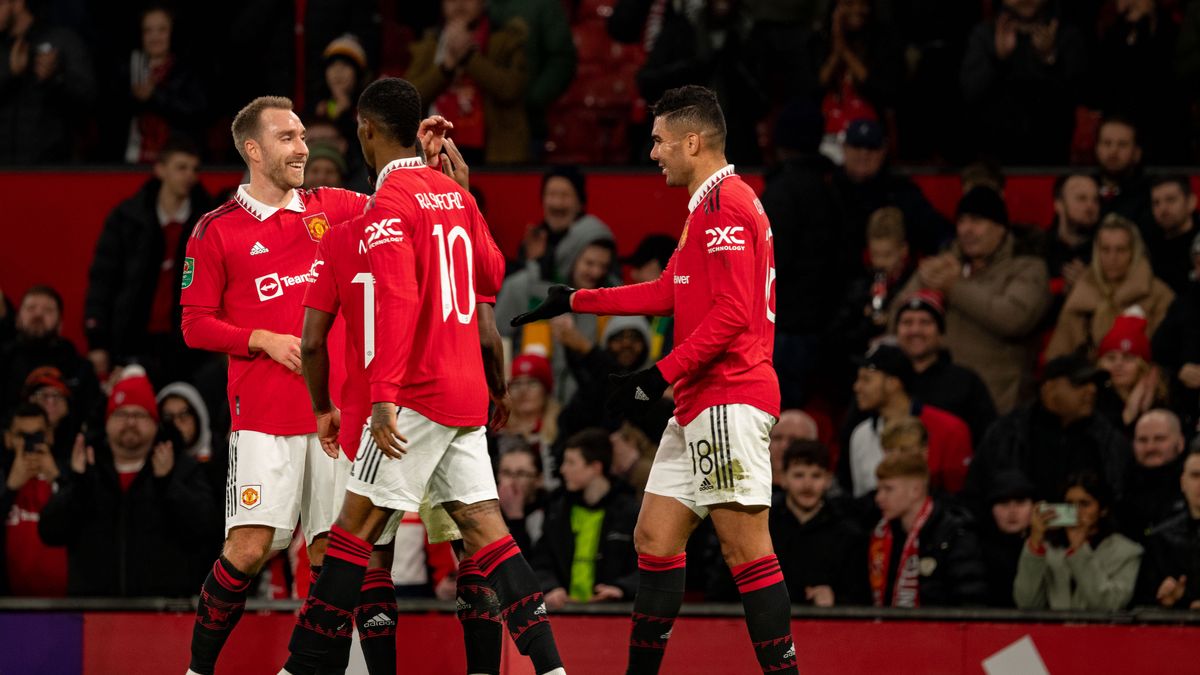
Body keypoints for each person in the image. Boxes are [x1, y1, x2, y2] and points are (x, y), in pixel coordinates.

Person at [280, 78, 565, 675]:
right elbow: (490, 269)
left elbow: (398, 300)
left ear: (366, 130)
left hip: (418, 392)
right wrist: (466, 194)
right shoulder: (454, 197)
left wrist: (383, 399)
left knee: (353, 532)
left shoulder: (388, 203)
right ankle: (552, 668)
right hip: (464, 391)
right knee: (486, 530)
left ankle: (299, 666)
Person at [513, 85, 797, 674]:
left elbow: (732, 314)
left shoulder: (724, 207)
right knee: (655, 538)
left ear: (693, 142)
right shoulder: (712, 207)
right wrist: (576, 300)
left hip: (727, 396)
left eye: (660, 141)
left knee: (747, 550)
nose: (653, 153)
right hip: (701, 403)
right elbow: (670, 292)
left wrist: (655, 377)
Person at [297, 131, 507, 675]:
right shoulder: (448, 226)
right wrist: (498, 391)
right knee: (475, 549)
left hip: (377, 411)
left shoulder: (343, 238)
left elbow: (314, 342)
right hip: (450, 399)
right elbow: (486, 325)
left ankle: (319, 665)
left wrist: (326, 406)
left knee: (366, 552)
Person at [178, 96, 373, 675]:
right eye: (288, 138)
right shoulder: (216, 231)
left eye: (303, 136)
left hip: (332, 417)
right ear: (254, 150)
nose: (304, 148)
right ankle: (197, 670)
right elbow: (193, 325)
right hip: (264, 414)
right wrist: (260, 338)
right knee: (248, 548)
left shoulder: (330, 207)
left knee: (331, 555)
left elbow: (394, 203)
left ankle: (331, 670)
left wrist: (429, 167)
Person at [39, 368, 217, 597]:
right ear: (107, 422)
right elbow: (49, 532)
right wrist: (79, 484)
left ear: (155, 424)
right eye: (121, 414)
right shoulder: (87, 466)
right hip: (93, 615)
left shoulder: (182, 468)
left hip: (162, 614)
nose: (131, 422)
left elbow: (206, 531)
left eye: (140, 415)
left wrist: (168, 485)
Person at [898, 186, 1050, 413]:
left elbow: (1013, 318)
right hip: (935, 396)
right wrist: (925, 280)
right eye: (961, 221)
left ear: (1000, 229)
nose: (967, 229)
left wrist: (955, 287)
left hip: (997, 400)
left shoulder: (1028, 268)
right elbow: (897, 315)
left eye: (977, 221)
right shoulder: (944, 265)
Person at [84, 138, 213, 383]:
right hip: (131, 338)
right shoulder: (126, 218)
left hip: (187, 347)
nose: (190, 176)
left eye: (195, 169)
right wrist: (97, 340)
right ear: (160, 169)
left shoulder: (209, 221)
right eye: (181, 167)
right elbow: (103, 281)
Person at [760, 99, 847, 408]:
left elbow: (769, 264)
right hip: (823, 327)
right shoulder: (834, 186)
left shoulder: (782, 191)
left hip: (784, 330)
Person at [965, 355, 1131, 511]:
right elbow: (976, 494)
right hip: (1015, 538)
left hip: (1091, 538)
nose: (1092, 390)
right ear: (1048, 388)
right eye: (1079, 383)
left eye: (1093, 383)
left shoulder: (1109, 439)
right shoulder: (1007, 433)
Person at [959, 0, 1086, 164]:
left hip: (1051, 150)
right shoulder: (985, 34)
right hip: (994, 152)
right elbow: (970, 93)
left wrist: (1050, 59)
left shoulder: (1065, 34)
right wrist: (998, 60)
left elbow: (1079, 94)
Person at [405, 0, 530, 164]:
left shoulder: (507, 39)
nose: (459, 3)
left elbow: (510, 89)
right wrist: (445, 69)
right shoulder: (429, 43)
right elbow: (409, 99)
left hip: (495, 151)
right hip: (437, 150)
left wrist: (468, 58)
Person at [842, 345, 973, 498]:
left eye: (866, 379)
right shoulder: (860, 435)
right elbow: (859, 503)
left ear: (893, 383)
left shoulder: (950, 430)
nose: (857, 387)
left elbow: (960, 502)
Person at [533, 429, 639, 609]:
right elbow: (541, 561)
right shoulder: (558, 511)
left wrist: (622, 589)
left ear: (595, 468)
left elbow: (648, 566)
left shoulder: (630, 512)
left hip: (615, 613)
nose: (563, 469)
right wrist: (551, 587)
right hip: (564, 611)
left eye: (571, 462)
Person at [1046, 214, 1174, 359]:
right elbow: (1055, 357)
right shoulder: (1080, 296)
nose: (1112, 258)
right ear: (1096, 253)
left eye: (1121, 250)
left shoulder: (1158, 295)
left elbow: (1163, 357)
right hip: (1084, 378)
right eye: (1105, 250)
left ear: (1134, 252)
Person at [869, 450, 987, 607]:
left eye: (888, 489)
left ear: (916, 490)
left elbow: (970, 599)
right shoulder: (883, 534)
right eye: (878, 489)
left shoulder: (955, 534)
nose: (879, 498)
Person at [1014, 471, 1143, 610]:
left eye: (1084, 504)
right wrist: (1035, 542)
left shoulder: (1127, 552)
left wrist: (1079, 550)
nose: (1076, 511)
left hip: (1099, 630)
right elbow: (1026, 603)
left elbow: (1109, 604)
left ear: (1103, 510)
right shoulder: (1050, 549)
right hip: (1057, 630)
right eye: (1069, 504)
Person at [830, 118, 952, 259]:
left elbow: (937, 232)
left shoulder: (900, 191)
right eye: (857, 146)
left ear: (884, 151)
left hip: (892, 277)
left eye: (872, 147)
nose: (864, 154)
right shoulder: (826, 189)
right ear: (844, 148)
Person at [771, 440, 868, 607]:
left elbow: (862, 598)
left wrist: (835, 600)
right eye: (799, 475)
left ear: (828, 480)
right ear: (783, 479)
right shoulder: (762, 527)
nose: (807, 485)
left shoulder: (849, 534)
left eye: (816, 475)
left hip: (829, 628)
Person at [893, 290, 996, 444]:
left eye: (925, 322)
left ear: (940, 332)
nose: (915, 330)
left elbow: (987, 441)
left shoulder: (965, 382)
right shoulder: (885, 380)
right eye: (907, 322)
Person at [0, 0, 96, 163]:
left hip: (49, 172)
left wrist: (55, 79)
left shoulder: (62, 40)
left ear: (17, 3)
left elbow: (90, 100)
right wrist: (10, 73)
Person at [114, 5, 206, 164]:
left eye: (162, 30)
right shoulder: (128, 68)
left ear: (173, 33)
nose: (154, 37)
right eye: (148, 31)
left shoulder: (186, 70)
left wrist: (154, 95)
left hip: (174, 160)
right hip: (133, 158)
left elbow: (198, 112)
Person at [831, 207, 914, 367]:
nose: (880, 263)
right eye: (876, 255)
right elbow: (836, 338)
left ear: (903, 250)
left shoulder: (915, 284)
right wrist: (868, 322)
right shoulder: (859, 288)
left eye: (888, 255)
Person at [0, 286, 100, 416]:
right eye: (31, 308)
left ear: (60, 325)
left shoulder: (79, 368)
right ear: (17, 320)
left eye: (48, 310)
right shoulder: (3, 361)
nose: (38, 314)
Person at [1, 403, 66, 596]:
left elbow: (86, 525)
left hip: (68, 605)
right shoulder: (3, 479)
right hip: (8, 607)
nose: (31, 443)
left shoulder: (71, 475)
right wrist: (11, 489)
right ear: (8, 439)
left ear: (50, 436)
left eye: (38, 435)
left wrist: (57, 480)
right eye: (22, 436)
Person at [1137, 445, 1200, 610]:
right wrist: (1166, 601)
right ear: (1182, 482)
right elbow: (1142, 604)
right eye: (1195, 475)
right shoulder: (1161, 538)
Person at [1093, 312, 1168, 434]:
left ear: (1143, 366)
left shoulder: (1162, 400)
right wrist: (1129, 414)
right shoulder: (1093, 402)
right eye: (1110, 358)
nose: (1118, 364)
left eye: (1128, 358)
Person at [1119, 410, 1187, 542]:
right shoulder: (1123, 484)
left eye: (1160, 439)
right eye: (1142, 440)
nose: (1150, 447)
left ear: (1180, 443)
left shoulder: (1193, 480)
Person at [499, 352, 560, 489]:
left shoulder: (562, 426)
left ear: (545, 390)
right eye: (516, 384)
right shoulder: (497, 431)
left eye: (532, 383)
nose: (523, 391)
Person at [1042, 174, 1101, 305]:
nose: (1090, 206)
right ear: (1058, 205)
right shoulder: (1038, 248)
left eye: (1095, 200)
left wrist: (1089, 284)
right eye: (1081, 199)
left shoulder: (1107, 249)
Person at [980, 470, 1034, 608]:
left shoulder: (1049, 548)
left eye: (1020, 502)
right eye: (1004, 503)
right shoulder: (976, 552)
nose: (1012, 511)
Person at [310, 35, 368, 150]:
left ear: (358, 73)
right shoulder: (316, 106)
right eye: (332, 65)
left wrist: (344, 115)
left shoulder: (367, 110)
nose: (338, 71)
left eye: (345, 65)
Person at [1095, 116, 1152, 229]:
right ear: (1097, 149)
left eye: (1122, 144)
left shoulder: (1151, 196)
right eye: (1107, 143)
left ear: (1137, 153)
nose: (1113, 151)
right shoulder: (1083, 190)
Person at [1146, 176, 1198, 295]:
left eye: (1171, 200)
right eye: (1156, 203)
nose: (1163, 209)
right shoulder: (1149, 246)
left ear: (1191, 202)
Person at [497, 442, 548, 552]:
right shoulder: (488, 512)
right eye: (506, 473)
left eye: (521, 473)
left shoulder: (551, 512)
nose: (512, 481)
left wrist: (515, 517)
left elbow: (529, 565)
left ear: (538, 479)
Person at [769, 409, 819, 489]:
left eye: (793, 440)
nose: (783, 446)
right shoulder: (748, 486)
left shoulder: (833, 496)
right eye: (777, 438)